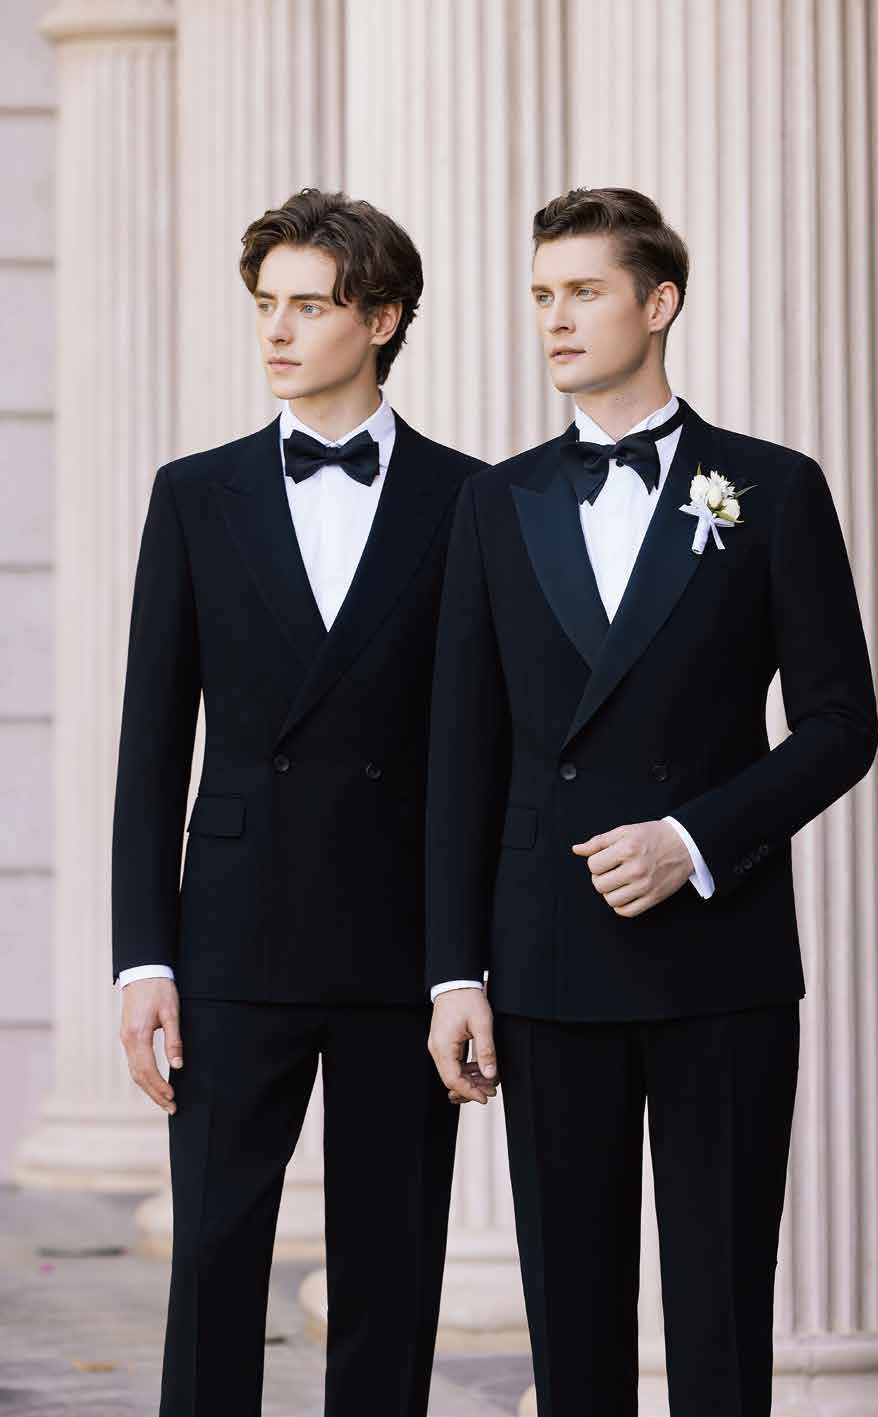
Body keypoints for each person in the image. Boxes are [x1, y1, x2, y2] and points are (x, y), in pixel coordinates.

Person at [426, 186, 878, 1416]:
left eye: (584, 290)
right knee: (572, 1322)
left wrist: (693, 838)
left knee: (722, 1317)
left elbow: (842, 725)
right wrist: (454, 973)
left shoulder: (773, 488)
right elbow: (462, 755)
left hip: (721, 959)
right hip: (546, 956)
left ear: (659, 301)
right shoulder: (495, 501)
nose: (556, 318)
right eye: (541, 294)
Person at [112, 187, 484, 1417]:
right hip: (231, 934)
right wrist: (142, 957)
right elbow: (151, 745)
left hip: (400, 940)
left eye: (310, 306)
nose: (276, 330)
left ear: (380, 319)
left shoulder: (471, 500)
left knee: (392, 1269)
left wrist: (463, 964)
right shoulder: (193, 492)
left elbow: (477, 749)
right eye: (266, 304)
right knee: (215, 1264)